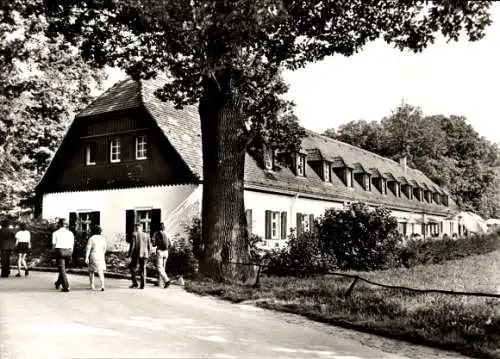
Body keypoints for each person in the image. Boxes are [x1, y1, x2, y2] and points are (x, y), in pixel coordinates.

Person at [52, 218, 75, 292]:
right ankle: (58, 283)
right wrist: (71, 254)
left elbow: (53, 245)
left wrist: (53, 254)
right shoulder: (70, 233)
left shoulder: (55, 233)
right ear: (66, 225)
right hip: (69, 251)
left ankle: (66, 286)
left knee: (62, 269)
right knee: (63, 269)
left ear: (59, 224)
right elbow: (72, 245)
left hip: (60, 251)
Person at [128, 224, 152, 289]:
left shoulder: (134, 234)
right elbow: (150, 246)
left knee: (132, 267)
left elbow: (132, 246)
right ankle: (142, 284)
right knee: (143, 269)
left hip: (136, 254)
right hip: (144, 254)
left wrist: (129, 255)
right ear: (141, 228)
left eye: (136, 227)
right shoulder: (147, 235)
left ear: (136, 228)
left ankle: (135, 283)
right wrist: (148, 254)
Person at [85, 225, 107, 291]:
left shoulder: (91, 238)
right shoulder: (103, 238)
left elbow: (88, 248)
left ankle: (92, 285)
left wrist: (86, 257)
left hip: (93, 255)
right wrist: (102, 254)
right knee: (100, 271)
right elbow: (105, 248)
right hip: (101, 255)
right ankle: (102, 285)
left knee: (91, 271)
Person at [153, 222, 171, 288]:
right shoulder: (167, 233)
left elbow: (153, 244)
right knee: (163, 267)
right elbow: (170, 244)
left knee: (159, 268)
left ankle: (166, 280)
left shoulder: (156, 233)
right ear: (164, 227)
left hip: (160, 251)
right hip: (166, 252)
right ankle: (161, 283)